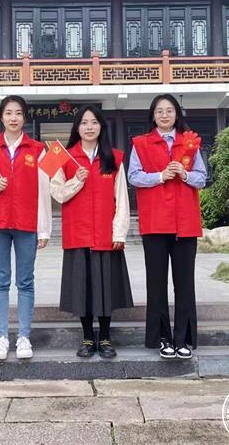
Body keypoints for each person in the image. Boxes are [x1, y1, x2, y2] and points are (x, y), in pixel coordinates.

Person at [127, 94, 207, 360]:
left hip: (185, 222)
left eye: (169, 110)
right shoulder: (140, 143)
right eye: (159, 111)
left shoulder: (190, 142)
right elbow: (133, 176)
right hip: (155, 222)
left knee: (185, 284)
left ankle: (183, 338)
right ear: (153, 115)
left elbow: (201, 178)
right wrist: (160, 176)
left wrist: (184, 174)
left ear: (176, 114)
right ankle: (162, 338)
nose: (164, 115)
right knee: (157, 284)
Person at [50, 106, 133, 359]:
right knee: (82, 289)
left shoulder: (114, 157)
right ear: (77, 128)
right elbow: (57, 193)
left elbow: (122, 198)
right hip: (78, 233)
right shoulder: (64, 157)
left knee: (106, 289)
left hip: (105, 234)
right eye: (84, 122)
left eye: (94, 122)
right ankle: (87, 337)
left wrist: (119, 233)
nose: (89, 127)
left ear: (101, 127)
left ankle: (105, 337)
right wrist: (77, 180)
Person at [0, 95, 51, 361]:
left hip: (27, 223)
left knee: (25, 281)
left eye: (18, 113)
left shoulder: (38, 149)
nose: (13, 118)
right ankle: (1, 337)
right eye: (8, 113)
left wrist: (44, 229)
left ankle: (24, 337)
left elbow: (44, 191)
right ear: (1, 117)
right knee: (0, 281)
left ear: (24, 118)